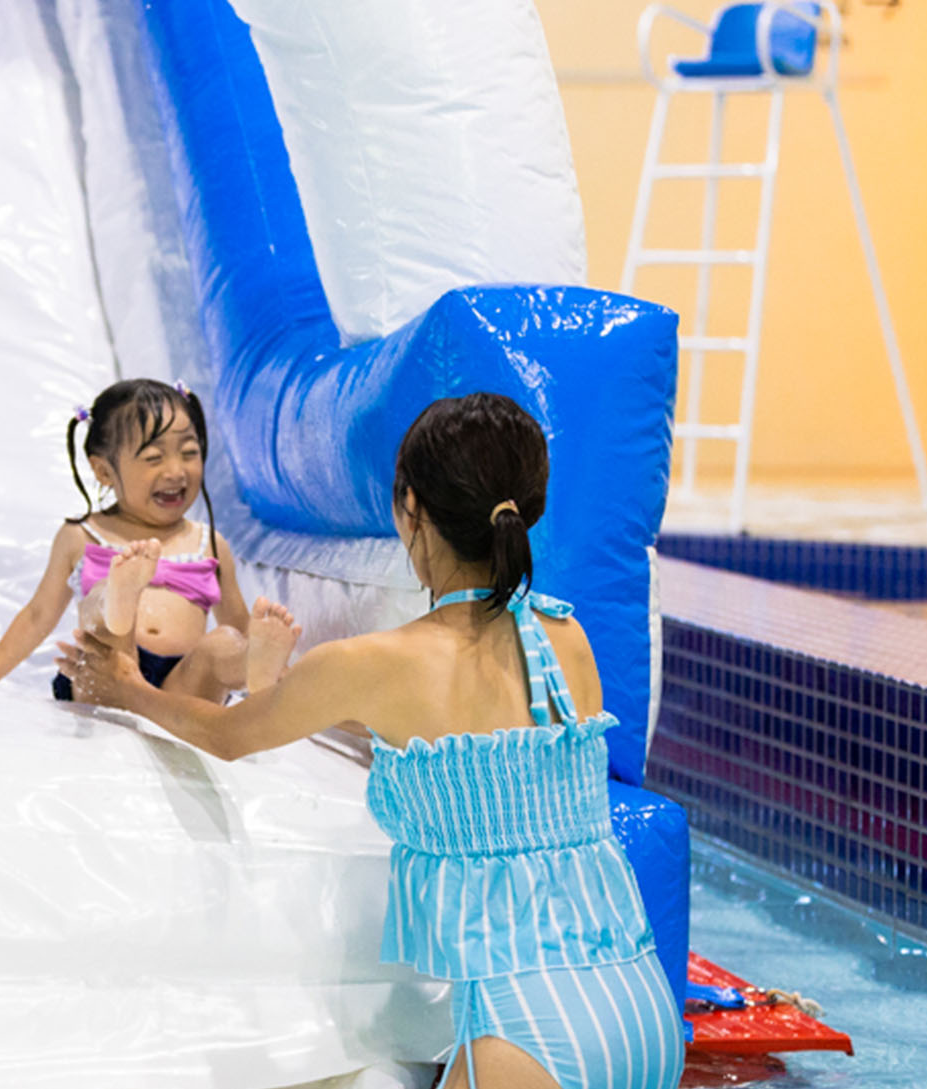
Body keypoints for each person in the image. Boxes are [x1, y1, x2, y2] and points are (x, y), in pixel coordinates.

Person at [57, 392, 684, 1089]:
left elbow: (230, 735)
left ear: (410, 509)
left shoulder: (374, 663)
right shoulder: (565, 639)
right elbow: (465, 739)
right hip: (643, 1011)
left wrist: (124, 688)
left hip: (525, 1037)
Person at [0, 377, 299, 701]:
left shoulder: (209, 544)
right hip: (103, 678)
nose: (176, 471)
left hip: (178, 689)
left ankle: (258, 677)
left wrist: (256, 651)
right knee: (100, 607)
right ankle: (118, 598)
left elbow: (235, 624)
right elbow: (37, 616)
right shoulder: (83, 536)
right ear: (104, 471)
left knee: (224, 643)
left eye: (189, 453)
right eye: (154, 457)